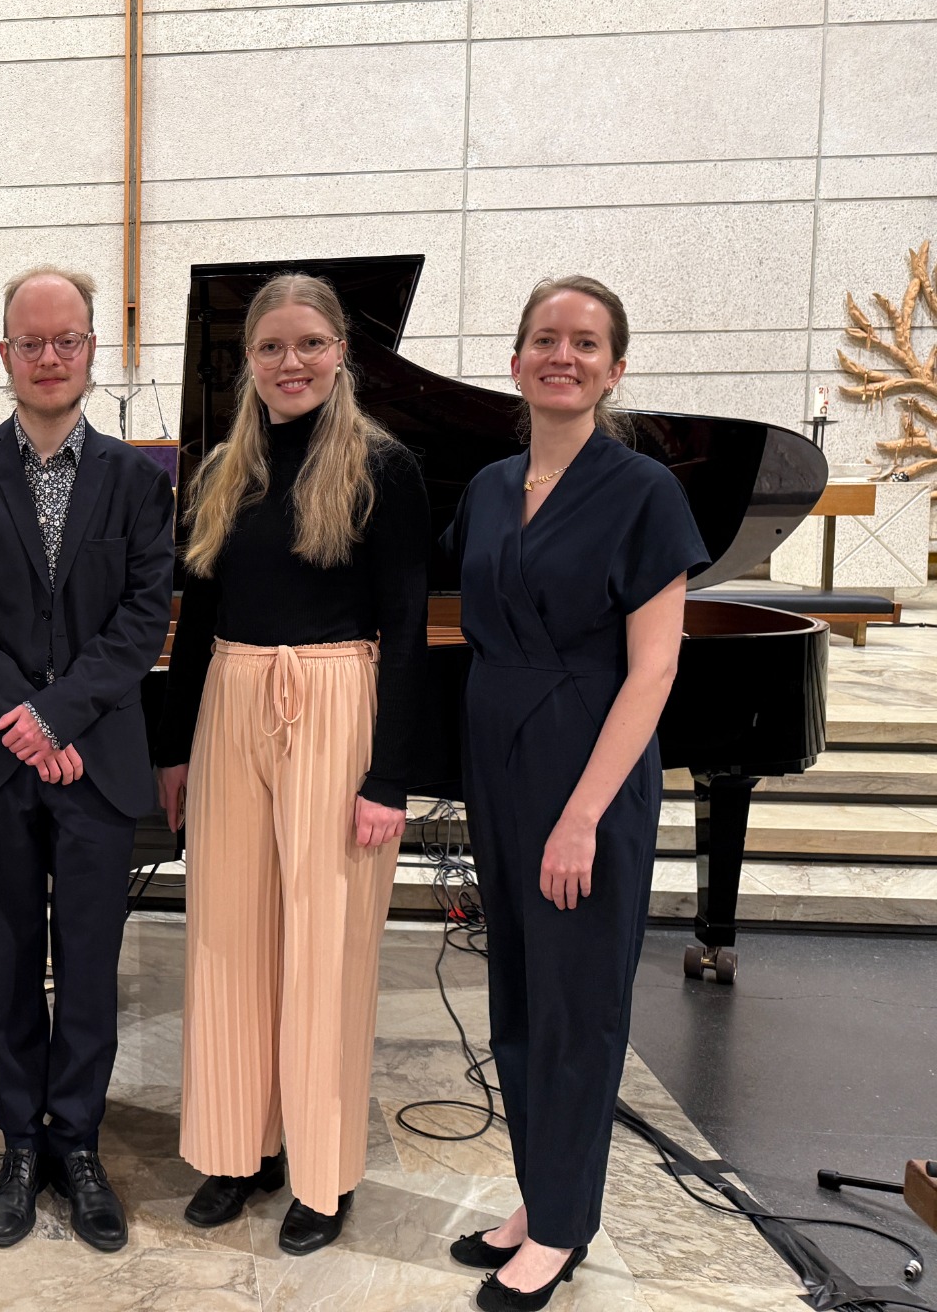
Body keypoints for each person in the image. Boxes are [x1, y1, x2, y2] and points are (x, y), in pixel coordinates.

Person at [442, 277, 708, 1310]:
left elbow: (653, 672)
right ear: (515, 363)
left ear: (615, 367)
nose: (564, 354)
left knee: (579, 1005)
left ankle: (563, 1226)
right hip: (498, 757)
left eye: (586, 342)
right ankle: (537, 1195)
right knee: (515, 989)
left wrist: (584, 814)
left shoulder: (644, 491)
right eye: (545, 339)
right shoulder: (491, 484)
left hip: (583, 769)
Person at [155, 272, 428, 1255]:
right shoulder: (224, 465)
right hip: (231, 700)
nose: (291, 362)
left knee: (326, 947)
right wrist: (175, 752)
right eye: (272, 347)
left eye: (310, 343)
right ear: (250, 363)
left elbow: (405, 625)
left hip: (336, 699)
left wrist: (388, 778)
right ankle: (237, 1152)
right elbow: (196, 626)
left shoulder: (384, 468)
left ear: (341, 352)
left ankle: (322, 1173)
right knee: (229, 934)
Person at [0, 266, 175, 1253]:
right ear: (5, 355)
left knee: (90, 961)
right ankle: (18, 1145)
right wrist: (27, 722)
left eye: (65, 340)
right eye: (30, 343)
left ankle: (78, 1142)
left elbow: (143, 615)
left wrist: (61, 718)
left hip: (99, 758)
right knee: (10, 960)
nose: (48, 357)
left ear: (89, 351)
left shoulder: (137, 480)